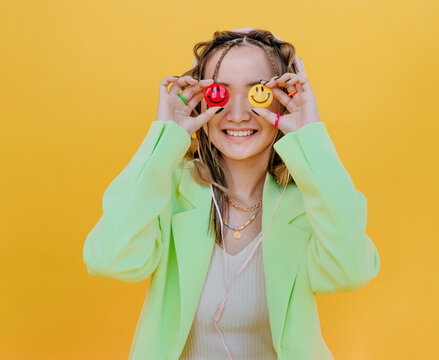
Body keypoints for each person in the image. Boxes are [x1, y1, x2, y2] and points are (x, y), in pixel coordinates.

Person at [83, 28, 380, 360]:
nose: (238, 114)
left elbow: (350, 271)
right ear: (198, 100)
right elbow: (111, 260)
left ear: (284, 97)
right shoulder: (169, 189)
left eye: (258, 92)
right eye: (218, 94)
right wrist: (164, 140)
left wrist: (310, 135)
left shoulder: (309, 199)